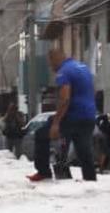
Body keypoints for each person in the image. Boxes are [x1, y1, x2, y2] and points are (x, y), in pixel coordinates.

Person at [30, 48, 97, 182]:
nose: (51, 67)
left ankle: (43, 172)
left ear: (56, 59)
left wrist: (56, 123)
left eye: (51, 63)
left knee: (41, 134)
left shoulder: (64, 72)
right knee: (84, 150)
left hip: (73, 116)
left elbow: (65, 98)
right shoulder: (83, 68)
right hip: (89, 116)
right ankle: (90, 180)